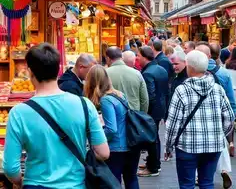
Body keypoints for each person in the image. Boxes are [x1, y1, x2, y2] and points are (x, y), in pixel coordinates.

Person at [3, 43, 109, 188]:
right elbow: (103, 152)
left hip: (36, 184)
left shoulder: (19, 113)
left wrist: (19, 182)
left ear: (30, 72)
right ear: (59, 69)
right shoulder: (84, 105)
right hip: (76, 184)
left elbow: (10, 167)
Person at [165, 50, 235, 189]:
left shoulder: (181, 90)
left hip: (187, 146)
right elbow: (229, 116)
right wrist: (220, 134)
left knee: (187, 184)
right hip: (213, 145)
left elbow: (172, 123)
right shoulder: (217, 89)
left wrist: (169, 146)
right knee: (207, 182)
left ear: (189, 67)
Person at [85, 65, 141, 189]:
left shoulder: (106, 100)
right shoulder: (119, 95)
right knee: (131, 178)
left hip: (117, 148)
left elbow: (111, 129)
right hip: (131, 144)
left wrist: (97, 138)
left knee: (114, 181)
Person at [196, 44, 236, 188]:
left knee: (197, 145)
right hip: (217, 116)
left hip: (198, 117)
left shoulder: (193, 72)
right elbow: (231, 100)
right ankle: (224, 169)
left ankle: (197, 175)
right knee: (220, 143)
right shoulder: (224, 73)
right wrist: (232, 121)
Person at [137, 46, 169, 177]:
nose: (137, 58)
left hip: (152, 111)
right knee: (155, 137)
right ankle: (154, 163)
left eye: (138, 56)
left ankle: (153, 167)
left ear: (145, 57)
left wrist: (145, 113)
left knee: (151, 139)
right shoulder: (161, 69)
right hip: (160, 108)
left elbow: (150, 96)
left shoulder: (148, 73)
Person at [106, 47, 149, 112]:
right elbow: (144, 99)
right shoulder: (137, 73)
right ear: (121, 57)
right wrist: (142, 115)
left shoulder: (105, 74)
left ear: (108, 58)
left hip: (113, 115)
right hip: (134, 115)